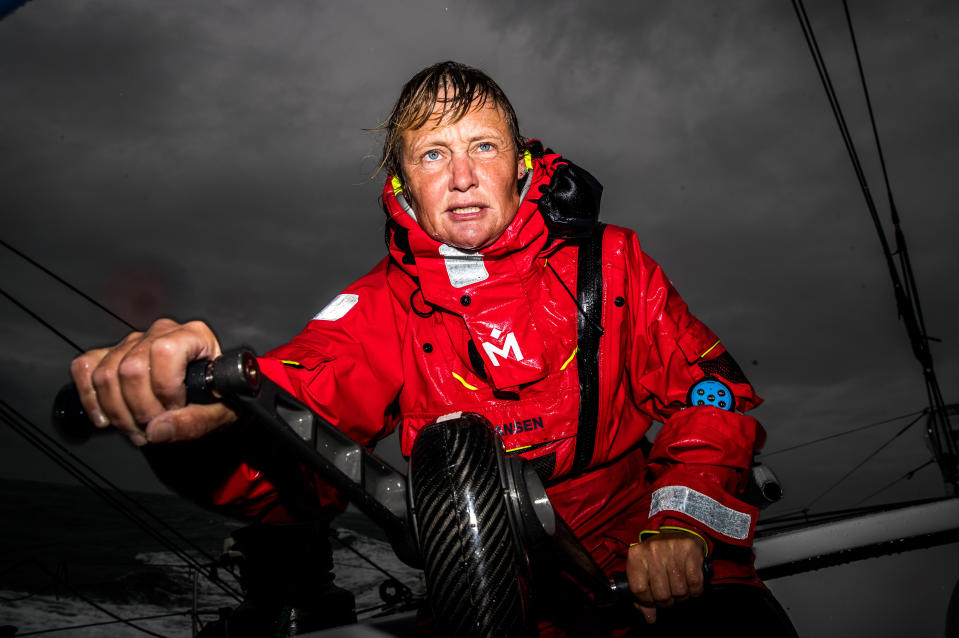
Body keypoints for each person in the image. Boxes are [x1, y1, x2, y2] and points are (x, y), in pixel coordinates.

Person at [70, 61, 797, 636]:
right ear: (403, 185)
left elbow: (712, 393)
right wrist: (209, 421)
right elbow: (299, 406)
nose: (461, 175)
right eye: (432, 154)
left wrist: (684, 523)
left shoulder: (615, 265)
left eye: (483, 146)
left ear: (520, 165)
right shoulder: (378, 305)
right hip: (481, 594)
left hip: (656, 564)